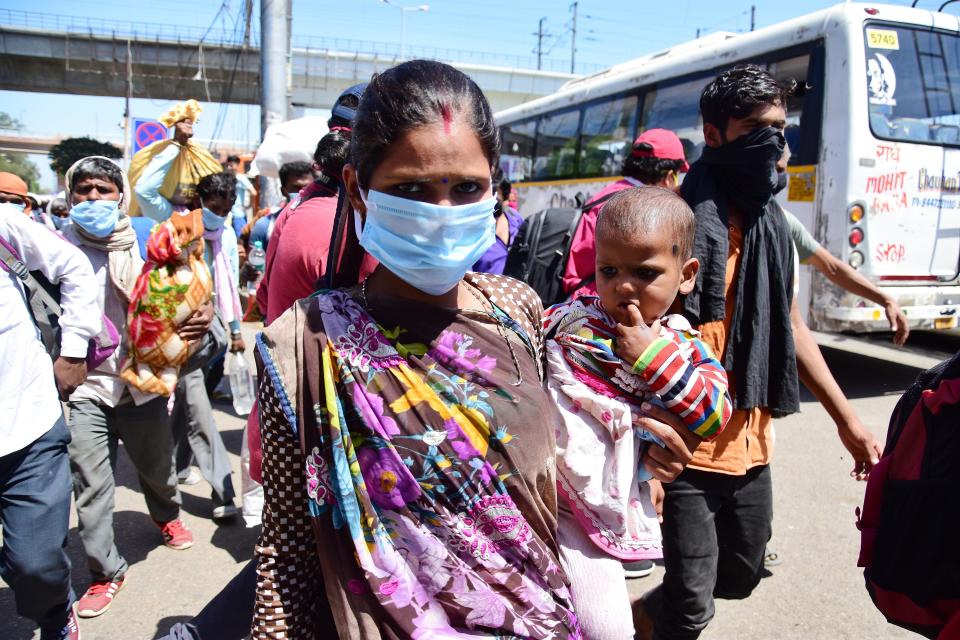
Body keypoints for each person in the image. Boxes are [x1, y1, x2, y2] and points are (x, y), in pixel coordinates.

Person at [251, 59, 700, 638]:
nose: (441, 213)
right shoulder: (301, 344)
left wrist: (655, 443)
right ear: (358, 193)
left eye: (466, 187)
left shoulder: (517, 309)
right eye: (410, 188)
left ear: (494, 187)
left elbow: (588, 425)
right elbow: (286, 555)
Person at [636, 64, 882, 640]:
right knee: (693, 610)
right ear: (713, 134)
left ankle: (645, 614)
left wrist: (848, 420)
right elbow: (636, 327)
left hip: (751, 444)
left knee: (741, 575)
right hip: (685, 447)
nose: (776, 144)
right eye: (757, 128)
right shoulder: (680, 219)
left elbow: (789, 325)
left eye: (781, 127)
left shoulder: (773, 224)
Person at [544, 187, 732, 640]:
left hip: (591, 513)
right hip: (540, 485)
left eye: (645, 273)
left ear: (686, 275)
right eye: (608, 271)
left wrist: (651, 357)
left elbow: (713, 414)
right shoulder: (572, 318)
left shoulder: (683, 346)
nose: (622, 286)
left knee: (605, 628)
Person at [60, 156, 206, 619]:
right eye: (84, 190)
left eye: (103, 190)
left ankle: (166, 515)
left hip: (143, 380)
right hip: (87, 387)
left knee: (156, 467)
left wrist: (199, 315)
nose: (94, 199)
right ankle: (106, 572)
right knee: (90, 481)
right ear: (69, 196)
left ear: (121, 194)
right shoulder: (54, 247)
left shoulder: (148, 239)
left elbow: (190, 285)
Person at [0, 202, 100, 639]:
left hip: (27, 423)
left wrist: (74, 348)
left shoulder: (4, 222)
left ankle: (56, 610)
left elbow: (74, 266)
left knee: (36, 564)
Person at [170, 171, 243, 522]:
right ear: (199, 200)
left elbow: (228, 281)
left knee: (187, 399)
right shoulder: (179, 229)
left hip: (215, 333)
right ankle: (223, 491)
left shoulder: (224, 234)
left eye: (226, 209)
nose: (220, 214)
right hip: (186, 328)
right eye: (214, 207)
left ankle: (174, 466)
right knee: (197, 405)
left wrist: (234, 330)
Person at [563, 128, 689, 297]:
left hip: (580, 296)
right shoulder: (640, 207)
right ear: (668, 176)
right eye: (677, 176)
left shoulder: (608, 193)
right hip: (605, 304)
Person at [240, 160, 313, 253]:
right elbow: (255, 263)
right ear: (283, 191)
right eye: (296, 188)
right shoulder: (266, 226)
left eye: (308, 187)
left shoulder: (325, 225)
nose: (303, 192)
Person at [472, 169, 523, 275]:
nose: (491, 206)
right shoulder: (472, 231)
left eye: (496, 201)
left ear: (506, 198)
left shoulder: (516, 219)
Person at [223, 154, 257, 236]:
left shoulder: (241, 178)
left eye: (231, 165)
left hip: (238, 214)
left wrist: (249, 205)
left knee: (240, 238)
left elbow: (254, 192)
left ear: (237, 165)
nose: (229, 168)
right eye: (228, 165)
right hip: (228, 215)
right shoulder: (227, 178)